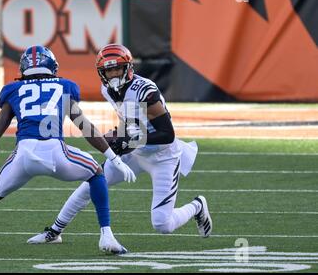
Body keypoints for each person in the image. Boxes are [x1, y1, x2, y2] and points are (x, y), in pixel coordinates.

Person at [0, 45, 137, 257]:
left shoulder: (13, 90)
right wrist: (114, 158)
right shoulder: (64, 86)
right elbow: (84, 126)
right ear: (52, 66)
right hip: (56, 153)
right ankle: (107, 235)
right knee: (96, 172)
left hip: (24, 155)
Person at [27, 44, 212, 246]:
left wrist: (128, 140)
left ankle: (197, 206)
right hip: (134, 152)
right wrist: (118, 136)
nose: (113, 74)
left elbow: (167, 134)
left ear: (128, 68)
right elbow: (130, 119)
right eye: (109, 70)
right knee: (91, 184)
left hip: (163, 157)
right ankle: (54, 232)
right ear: (102, 72)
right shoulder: (107, 89)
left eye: (117, 68)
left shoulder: (145, 91)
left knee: (162, 224)